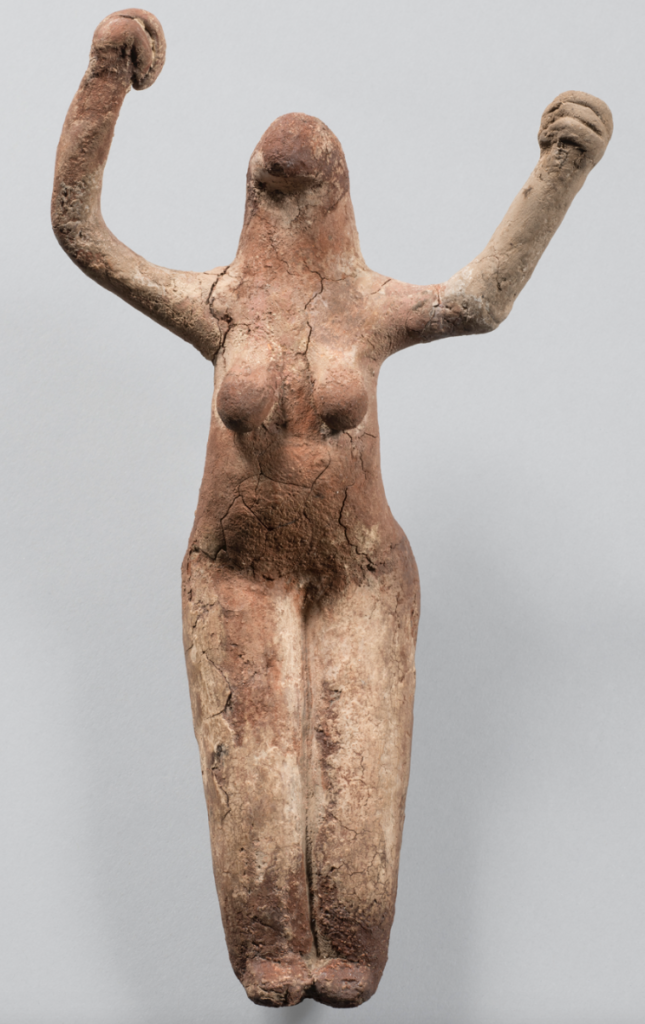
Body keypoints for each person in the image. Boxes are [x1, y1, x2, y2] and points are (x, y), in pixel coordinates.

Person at [52, 8, 612, 1008]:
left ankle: (350, 940)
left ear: (342, 199)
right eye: (275, 188)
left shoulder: (370, 307)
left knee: (357, 796)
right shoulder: (218, 303)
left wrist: (562, 168)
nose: (291, 206)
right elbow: (82, 232)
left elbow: (481, 300)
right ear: (252, 196)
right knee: (256, 795)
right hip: (233, 568)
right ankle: (267, 945)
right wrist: (103, 80)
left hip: (360, 570)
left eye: (306, 188)